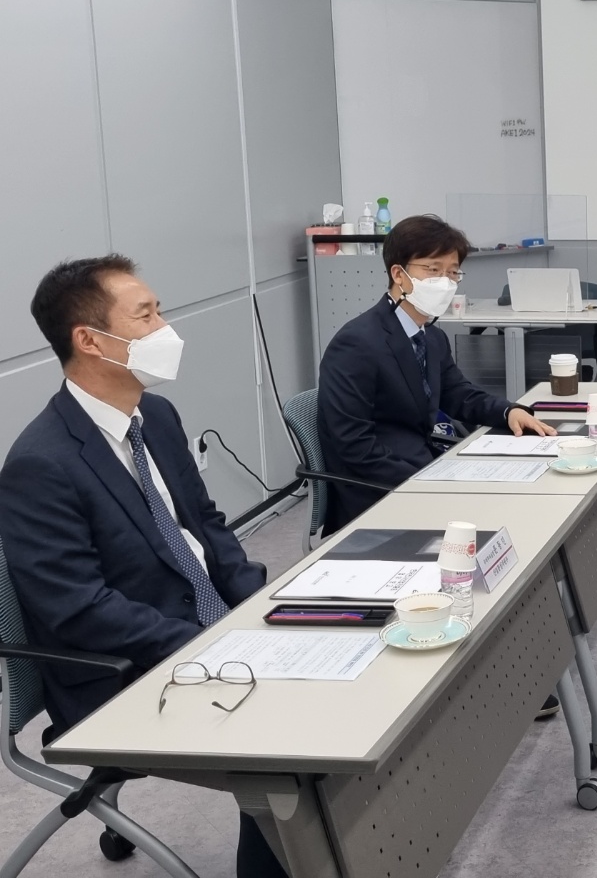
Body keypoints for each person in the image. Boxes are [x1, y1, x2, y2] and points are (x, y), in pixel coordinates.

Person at [0, 256, 285, 877]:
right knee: (288, 746)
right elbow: (79, 608)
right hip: (122, 672)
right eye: (147, 315)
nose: (166, 328)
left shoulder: (157, 416)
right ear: (90, 340)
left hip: (206, 632)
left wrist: (259, 606)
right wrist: (207, 645)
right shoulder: (40, 464)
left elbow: (206, 526)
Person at [317, 215, 555, 535]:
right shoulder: (357, 343)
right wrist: (429, 482)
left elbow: (458, 394)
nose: (445, 281)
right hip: (377, 490)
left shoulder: (430, 336)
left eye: (452, 272)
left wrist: (508, 411)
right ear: (398, 274)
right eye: (432, 269)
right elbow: (355, 447)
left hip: (424, 468)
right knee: (500, 514)